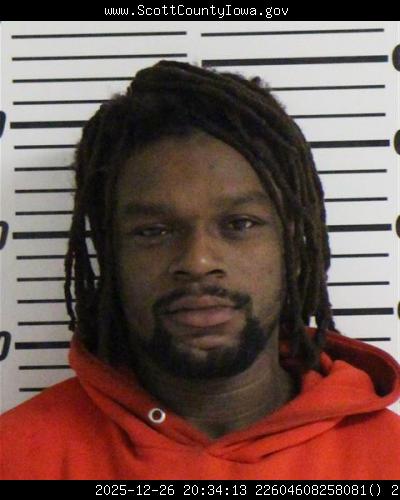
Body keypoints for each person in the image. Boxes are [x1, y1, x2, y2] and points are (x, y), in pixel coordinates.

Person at [1, 60, 399, 480]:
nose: (197, 262)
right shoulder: (15, 458)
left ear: (292, 243)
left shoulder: (389, 458)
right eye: (153, 231)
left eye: (239, 224)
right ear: (110, 250)